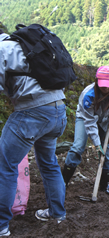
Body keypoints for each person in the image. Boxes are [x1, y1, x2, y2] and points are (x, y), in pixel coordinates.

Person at [0, 29, 67, 236]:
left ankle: (1, 225)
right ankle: (58, 214)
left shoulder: (2, 49)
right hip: (58, 110)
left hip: (32, 113)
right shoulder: (27, 44)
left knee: (6, 166)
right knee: (49, 164)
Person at [62, 66, 109, 195]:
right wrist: (97, 144)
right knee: (78, 147)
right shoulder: (88, 95)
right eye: (103, 85)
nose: (106, 88)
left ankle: (104, 185)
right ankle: (63, 182)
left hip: (106, 120)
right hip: (85, 118)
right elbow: (90, 123)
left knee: (106, 152)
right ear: (96, 81)